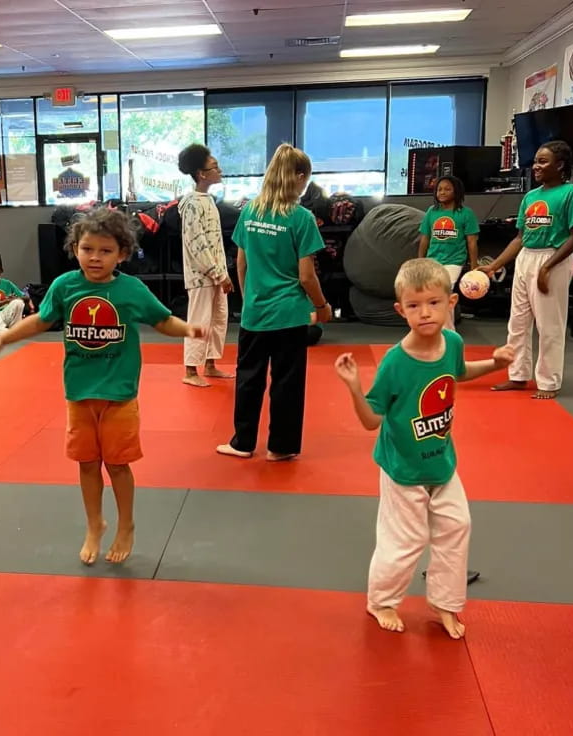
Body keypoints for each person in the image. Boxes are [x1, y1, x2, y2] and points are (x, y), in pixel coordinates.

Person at [0, 207, 205, 565]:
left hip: (119, 396)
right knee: (86, 463)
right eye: (87, 249)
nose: (95, 258)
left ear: (122, 254)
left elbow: (163, 320)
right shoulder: (66, 286)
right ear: (75, 248)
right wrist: (1, 340)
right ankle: (94, 524)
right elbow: (40, 321)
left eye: (105, 251)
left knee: (117, 465)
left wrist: (188, 330)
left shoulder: (131, 289)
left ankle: (126, 524)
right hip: (79, 394)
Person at [334, 258, 514, 639]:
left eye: (433, 303)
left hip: (442, 462)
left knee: (457, 526)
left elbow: (460, 373)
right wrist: (353, 386)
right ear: (401, 310)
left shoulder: (453, 341)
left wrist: (495, 364)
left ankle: (445, 604)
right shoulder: (395, 364)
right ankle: (381, 600)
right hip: (402, 469)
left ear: (451, 303)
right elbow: (371, 422)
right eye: (414, 306)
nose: (425, 313)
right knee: (405, 541)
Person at [216, 143, 332, 462]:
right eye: (306, 180)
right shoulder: (302, 218)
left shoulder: (251, 210)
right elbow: (307, 276)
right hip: (290, 315)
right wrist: (322, 307)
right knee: (287, 382)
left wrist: (249, 295)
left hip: (256, 311)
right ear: (297, 177)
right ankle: (280, 447)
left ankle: (242, 443)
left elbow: (241, 263)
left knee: (248, 378)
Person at [480, 140, 573, 399]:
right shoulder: (531, 196)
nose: (536, 166)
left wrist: (547, 268)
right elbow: (520, 238)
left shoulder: (572, 193)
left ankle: (549, 382)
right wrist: (493, 266)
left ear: (560, 165)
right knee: (517, 323)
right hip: (525, 259)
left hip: (553, 257)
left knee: (549, 325)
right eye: (536, 161)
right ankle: (518, 376)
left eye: (543, 161)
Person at [177, 143, 234, 387]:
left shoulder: (207, 200)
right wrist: (217, 273)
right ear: (201, 174)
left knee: (219, 319)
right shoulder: (191, 204)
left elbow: (214, 241)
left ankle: (210, 364)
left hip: (217, 273)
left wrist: (222, 272)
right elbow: (196, 243)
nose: (219, 169)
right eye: (214, 166)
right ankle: (191, 370)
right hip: (202, 276)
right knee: (199, 321)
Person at [417, 175, 480, 330]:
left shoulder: (466, 213)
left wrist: (474, 267)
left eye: (447, 189)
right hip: (432, 261)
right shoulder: (432, 212)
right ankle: (436, 328)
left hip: (454, 261)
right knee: (433, 296)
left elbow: (472, 242)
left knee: (443, 293)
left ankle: (447, 331)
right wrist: (420, 261)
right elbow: (425, 238)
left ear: (456, 192)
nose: (442, 192)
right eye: (439, 189)